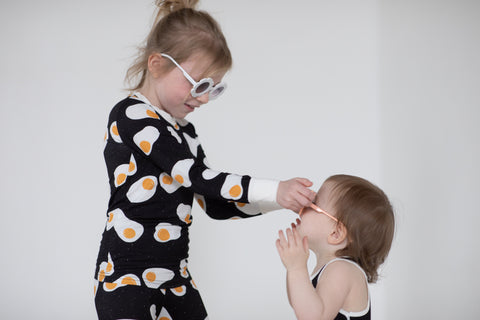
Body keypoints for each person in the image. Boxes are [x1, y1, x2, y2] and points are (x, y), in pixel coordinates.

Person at [93, 1, 316, 319]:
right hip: (127, 274)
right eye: (198, 84)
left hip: (175, 276)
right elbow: (191, 175)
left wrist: (282, 200)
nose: (202, 98)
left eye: (214, 88)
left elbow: (214, 203)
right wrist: (274, 189)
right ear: (156, 65)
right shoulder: (131, 115)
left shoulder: (186, 131)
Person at [276, 174, 395, 320]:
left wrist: (297, 268)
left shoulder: (342, 270)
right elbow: (299, 304)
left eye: (314, 204)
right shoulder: (331, 267)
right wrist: (293, 268)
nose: (303, 207)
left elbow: (313, 318)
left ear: (336, 233)